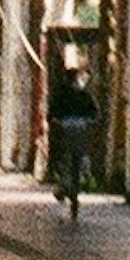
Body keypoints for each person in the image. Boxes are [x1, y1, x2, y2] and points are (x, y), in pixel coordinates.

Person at [46, 46, 93, 222]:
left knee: (60, 157)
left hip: (65, 131)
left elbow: (52, 113)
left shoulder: (61, 93)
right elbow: (93, 113)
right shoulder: (82, 94)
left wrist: (54, 120)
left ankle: (62, 184)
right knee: (78, 160)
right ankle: (75, 183)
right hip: (79, 132)